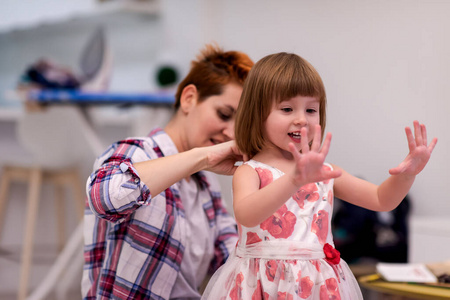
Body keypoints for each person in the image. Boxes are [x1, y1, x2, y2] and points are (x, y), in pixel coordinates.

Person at [201, 52, 437, 299]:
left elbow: (382, 200)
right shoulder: (250, 170)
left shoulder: (323, 173)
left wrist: (408, 174)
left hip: (316, 286)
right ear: (257, 113)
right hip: (261, 285)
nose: (301, 119)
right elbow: (247, 215)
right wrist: (294, 179)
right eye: (287, 108)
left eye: (311, 109)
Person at [82, 44, 254, 299]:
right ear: (188, 99)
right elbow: (103, 197)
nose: (231, 133)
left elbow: (231, 255)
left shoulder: (205, 185)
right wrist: (202, 157)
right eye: (224, 114)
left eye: (240, 125)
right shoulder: (137, 153)